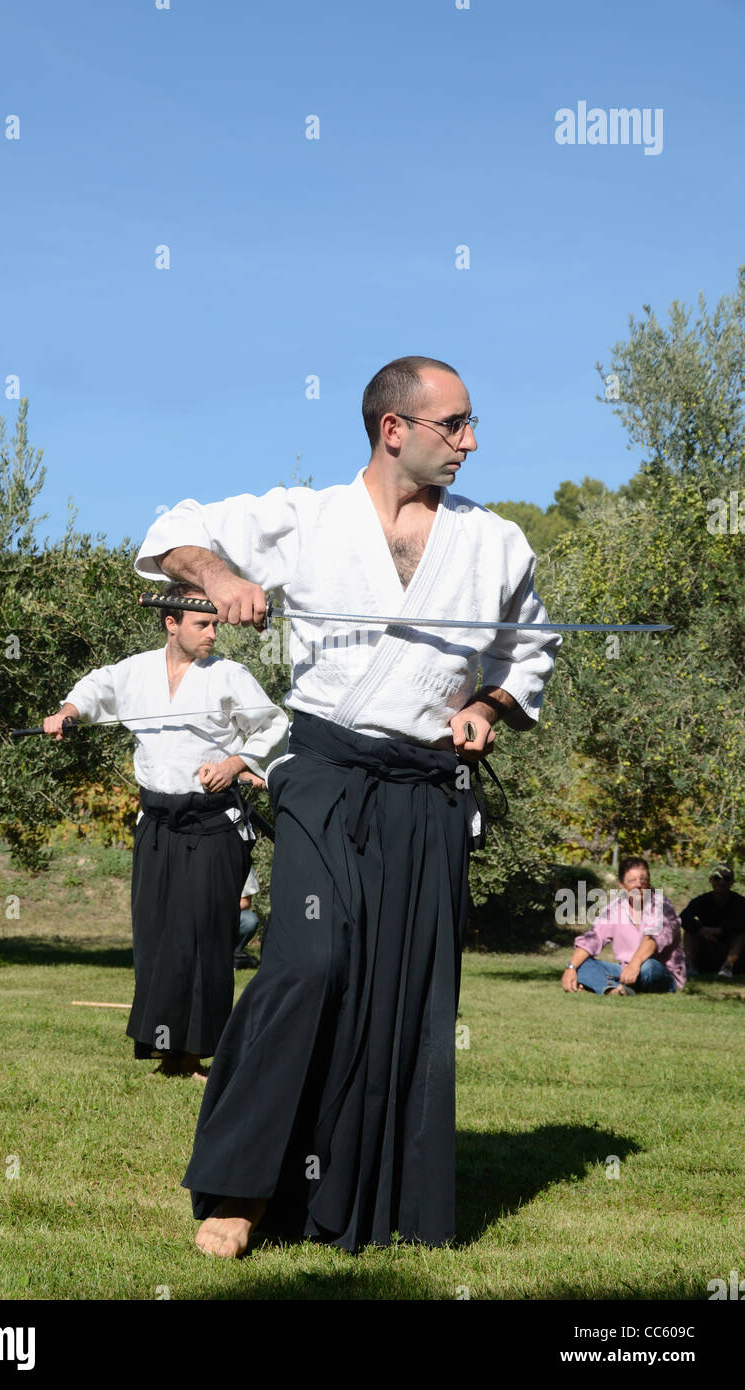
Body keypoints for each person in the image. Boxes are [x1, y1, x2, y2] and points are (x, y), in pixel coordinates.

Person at [135, 355, 560, 1253]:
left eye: (473, 424)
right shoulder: (308, 518)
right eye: (455, 425)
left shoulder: (497, 543)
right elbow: (173, 528)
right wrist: (215, 576)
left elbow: (529, 653)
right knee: (310, 964)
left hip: (428, 789)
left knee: (407, 992)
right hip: (326, 776)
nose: (471, 442)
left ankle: (385, 1195)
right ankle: (238, 1188)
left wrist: (485, 707)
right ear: (392, 428)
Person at [43, 583, 288, 1079]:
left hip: (213, 825)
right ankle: (166, 1051)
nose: (213, 633)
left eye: (216, 623)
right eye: (202, 624)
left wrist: (235, 761)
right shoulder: (135, 672)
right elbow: (95, 689)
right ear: (171, 623)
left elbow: (274, 724)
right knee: (157, 937)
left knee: (203, 940)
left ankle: (193, 1056)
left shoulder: (230, 676)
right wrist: (68, 712)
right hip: (156, 825)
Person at [560, 856, 685, 996]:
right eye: (632, 881)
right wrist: (571, 968)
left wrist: (635, 964)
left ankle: (602, 984)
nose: (639, 884)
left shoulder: (662, 906)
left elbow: (653, 939)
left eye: (643, 879)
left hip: (659, 971)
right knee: (581, 965)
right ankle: (614, 990)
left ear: (649, 881)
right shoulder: (615, 908)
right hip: (626, 971)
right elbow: (593, 939)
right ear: (622, 885)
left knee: (649, 966)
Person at [680, 865, 745, 979]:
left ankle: (728, 966)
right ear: (711, 880)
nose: (721, 882)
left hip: (733, 950)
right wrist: (700, 930)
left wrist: (721, 930)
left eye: (726, 878)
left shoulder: (740, 902)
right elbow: (683, 917)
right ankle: (689, 964)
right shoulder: (702, 900)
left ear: (732, 882)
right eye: (717, 878)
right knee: (690, 931)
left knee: (741, 934)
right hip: (707, 946)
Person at [235, 868, 260, 970]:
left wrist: (223, 912)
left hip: (229, 914)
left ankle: (233, 955)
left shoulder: (244, 864)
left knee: (250, 920)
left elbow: (246, 902)